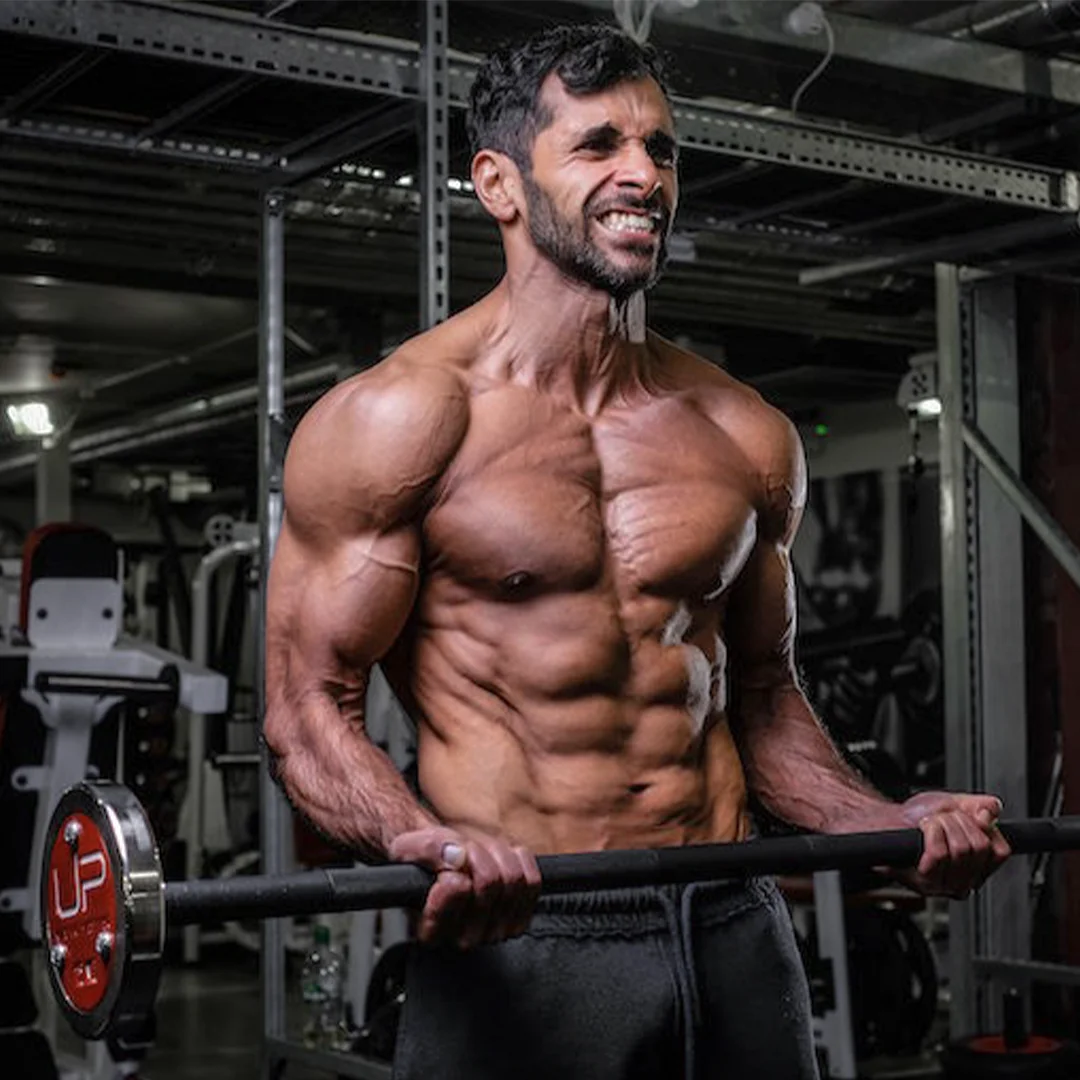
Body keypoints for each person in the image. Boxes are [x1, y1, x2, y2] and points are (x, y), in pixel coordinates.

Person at [264, 23, 1010, 1080]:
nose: (643, 176)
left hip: (732, 922)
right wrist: (416, 843)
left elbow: (758, 697)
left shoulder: (743, 432)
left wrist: (887, 821)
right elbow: (305, 709)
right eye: (599, 145)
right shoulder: (398, 422)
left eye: (661, 150)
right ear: (500, 183)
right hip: (528, 934)